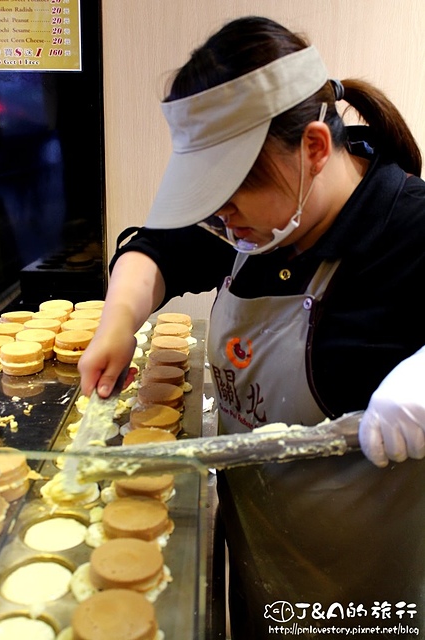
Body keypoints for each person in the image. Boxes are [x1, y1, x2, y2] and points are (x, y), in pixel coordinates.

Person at [78, 16, 425, 639]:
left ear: (315, 149)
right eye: (207, 202)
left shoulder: (409, 233)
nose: (221, 219)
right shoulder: (251, 219)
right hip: (264, 569)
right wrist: (119, 319)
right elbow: (157, 248)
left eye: (233, 193)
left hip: (373, 603)